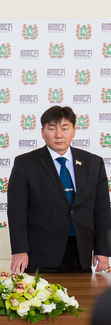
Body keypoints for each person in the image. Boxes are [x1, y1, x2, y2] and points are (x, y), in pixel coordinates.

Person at [8, 106, 111, 274]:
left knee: (80, 299)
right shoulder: (25, 164)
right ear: (42, 132)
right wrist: (20, 250)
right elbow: (16, 212)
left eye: (64, 128)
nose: (58, 135)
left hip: (80, 253)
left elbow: (102, 211)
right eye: (51, 129)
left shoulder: (93, 163)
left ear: (74, 131)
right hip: (41, 254)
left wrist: (103, 250)